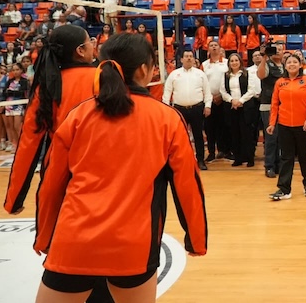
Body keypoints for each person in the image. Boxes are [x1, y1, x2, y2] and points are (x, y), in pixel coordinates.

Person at [32, 33, 207, 303]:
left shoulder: (78, 116)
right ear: (144, 70)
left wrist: (44, 237)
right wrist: (196, 240)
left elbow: (50, 185)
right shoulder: (168, 119)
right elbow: (188, 186)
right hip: (133, 247)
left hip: (74, 242)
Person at [4, 26, 96, 214]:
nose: (93, 45)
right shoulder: (107, 79)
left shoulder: (46, 86)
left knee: (55, 227)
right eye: (90, 42)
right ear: (80, 50)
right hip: (99, 171)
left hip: (58, 171)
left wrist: (14, 199)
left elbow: (28, 143)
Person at [266, 55, 306, 200]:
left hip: (303, 126)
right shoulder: (280, 82)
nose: (292, 64)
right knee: (286, 157)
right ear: (285, 65)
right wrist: (272, 123)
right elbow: (275, 104)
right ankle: (284, 189)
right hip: (284, 125)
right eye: (289, 62)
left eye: (295, 62)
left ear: (300, 65)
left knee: (304, 156)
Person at [162, 50, 212, 170]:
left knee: (198, 136)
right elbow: (167, 92)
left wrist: (208, 106)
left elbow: (207, 91)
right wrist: (166, 109)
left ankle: (200, 160)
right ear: (181, 59)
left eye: (191, 56)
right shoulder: (174, 74)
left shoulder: (200, 74)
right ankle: (181, 160)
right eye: (186, 56)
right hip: (179, 110)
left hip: (197, 108)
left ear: (194, 59)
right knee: (180, 137)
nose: (189, 58)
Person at [220, 53, 258, 167]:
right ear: (229, 63)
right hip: (232, 108)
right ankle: (238, 158)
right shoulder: (225, 75)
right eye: (232, 61)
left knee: (247, 134)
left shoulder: (247, 74)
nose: (234, 63)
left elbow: (251, 90)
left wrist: (240, 101)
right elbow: (223, 91)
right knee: (234, 133)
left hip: (246, 108)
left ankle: (249, 158)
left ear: (240, 62)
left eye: (236, 60)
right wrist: (232, 100)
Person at [258, 41, 285, 177]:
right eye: (275, 49)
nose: (277, 51)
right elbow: (261, 75)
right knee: (271, 137)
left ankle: (278, 164)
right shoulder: (267, 64)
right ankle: (269, 166)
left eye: (280, 49)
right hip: (268, 105)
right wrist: (264, 58)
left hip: (284, 106)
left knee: (281, 138)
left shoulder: (286, 66)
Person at [202, 41, 229, 162]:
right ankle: (211, 152)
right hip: (209, 100)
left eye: (215, 45)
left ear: (220, 48)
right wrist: (209, 97)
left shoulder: (227, 63)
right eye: (211, 45)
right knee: (209, 127)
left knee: (224, 126)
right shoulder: (204, 64)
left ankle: (225, 150)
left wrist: (222, 95)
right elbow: (202, 82)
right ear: (208, 49)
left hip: (224, 99)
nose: (213, 47)